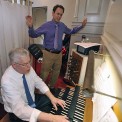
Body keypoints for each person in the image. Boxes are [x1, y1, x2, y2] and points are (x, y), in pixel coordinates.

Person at [26, 4, 87, 89]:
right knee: (44, 73)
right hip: (48, 53)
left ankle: (51, 88)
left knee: (56, 72)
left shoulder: (62, 26)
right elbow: (33, 34)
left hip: (59, 54)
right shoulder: (46, 25)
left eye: (61, 14)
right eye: (58, 14)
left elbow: (71, 31)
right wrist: (30, 27)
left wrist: (81, 26)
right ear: (53, 13)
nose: (59, 16)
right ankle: (39, 90)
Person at [1, 48, 69, 122]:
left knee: (50, 100)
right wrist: (52, 118)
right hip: (18, 112)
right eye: (25, 64)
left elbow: (38, 82)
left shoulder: (27, 68)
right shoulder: (7, 82)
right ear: (14, 65)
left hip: (32, 100)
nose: (29, 66)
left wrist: (52, 98)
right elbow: (20, 110)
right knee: (47, 116)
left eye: (29, 62)